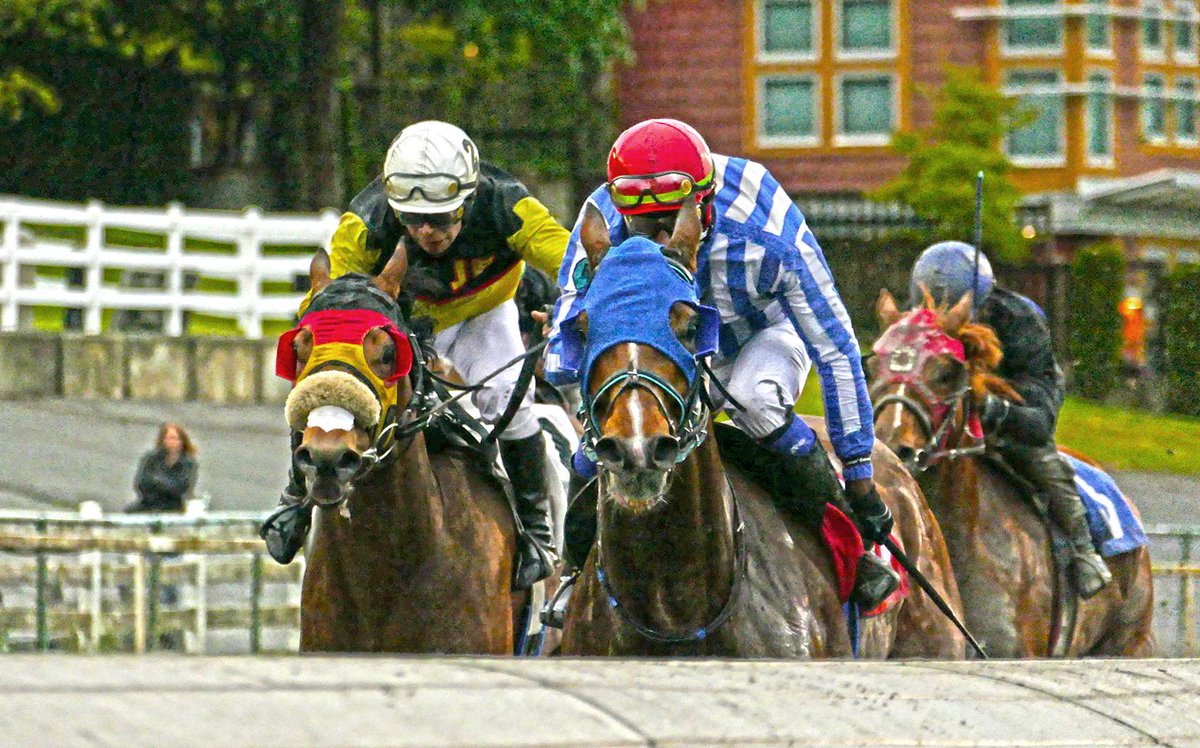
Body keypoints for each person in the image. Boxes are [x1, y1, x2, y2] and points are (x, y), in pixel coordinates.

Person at [545, 118, 899, 609]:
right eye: (644, 226)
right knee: (599, 447)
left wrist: (859, 470)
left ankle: (855, 553)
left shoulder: (766, 230)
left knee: (755, 403)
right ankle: (573, 573)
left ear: (703, 203)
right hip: (671, 349)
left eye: (672, 221)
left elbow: (835, 347)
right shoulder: (604, 215)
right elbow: (569, 325)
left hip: (760, 332)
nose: (662, 235)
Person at [260, 120, 571, 591]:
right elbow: (325, 310)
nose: (428, 231)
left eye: (442, 218)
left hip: (485, 316)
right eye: (412, 219)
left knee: (510, 404)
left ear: (468, 199)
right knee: (328, 386)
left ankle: (536, 532)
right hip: (402, 323)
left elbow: (571, 259)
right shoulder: (363, 225)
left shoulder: (509, 205)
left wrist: (572, 305)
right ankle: (294, 501)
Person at [909, 241, 1112, 598]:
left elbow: (1039, 420)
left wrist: (987, 407)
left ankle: (1084, 551)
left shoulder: (1019, 320)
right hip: (944, 422)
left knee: (1042, 461)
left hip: (1016, 412)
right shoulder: (917, 325)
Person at [128, 422, 198, 513]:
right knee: (129, 511)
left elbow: (182, 488)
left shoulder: (188, 463)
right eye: (169, 438)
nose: (172, 442)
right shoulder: (151, 458)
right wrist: (163, 485)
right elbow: (140, 483)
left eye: (175, 438)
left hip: (174, 506)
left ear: (182, 441)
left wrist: (157, 481)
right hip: (149, 503)